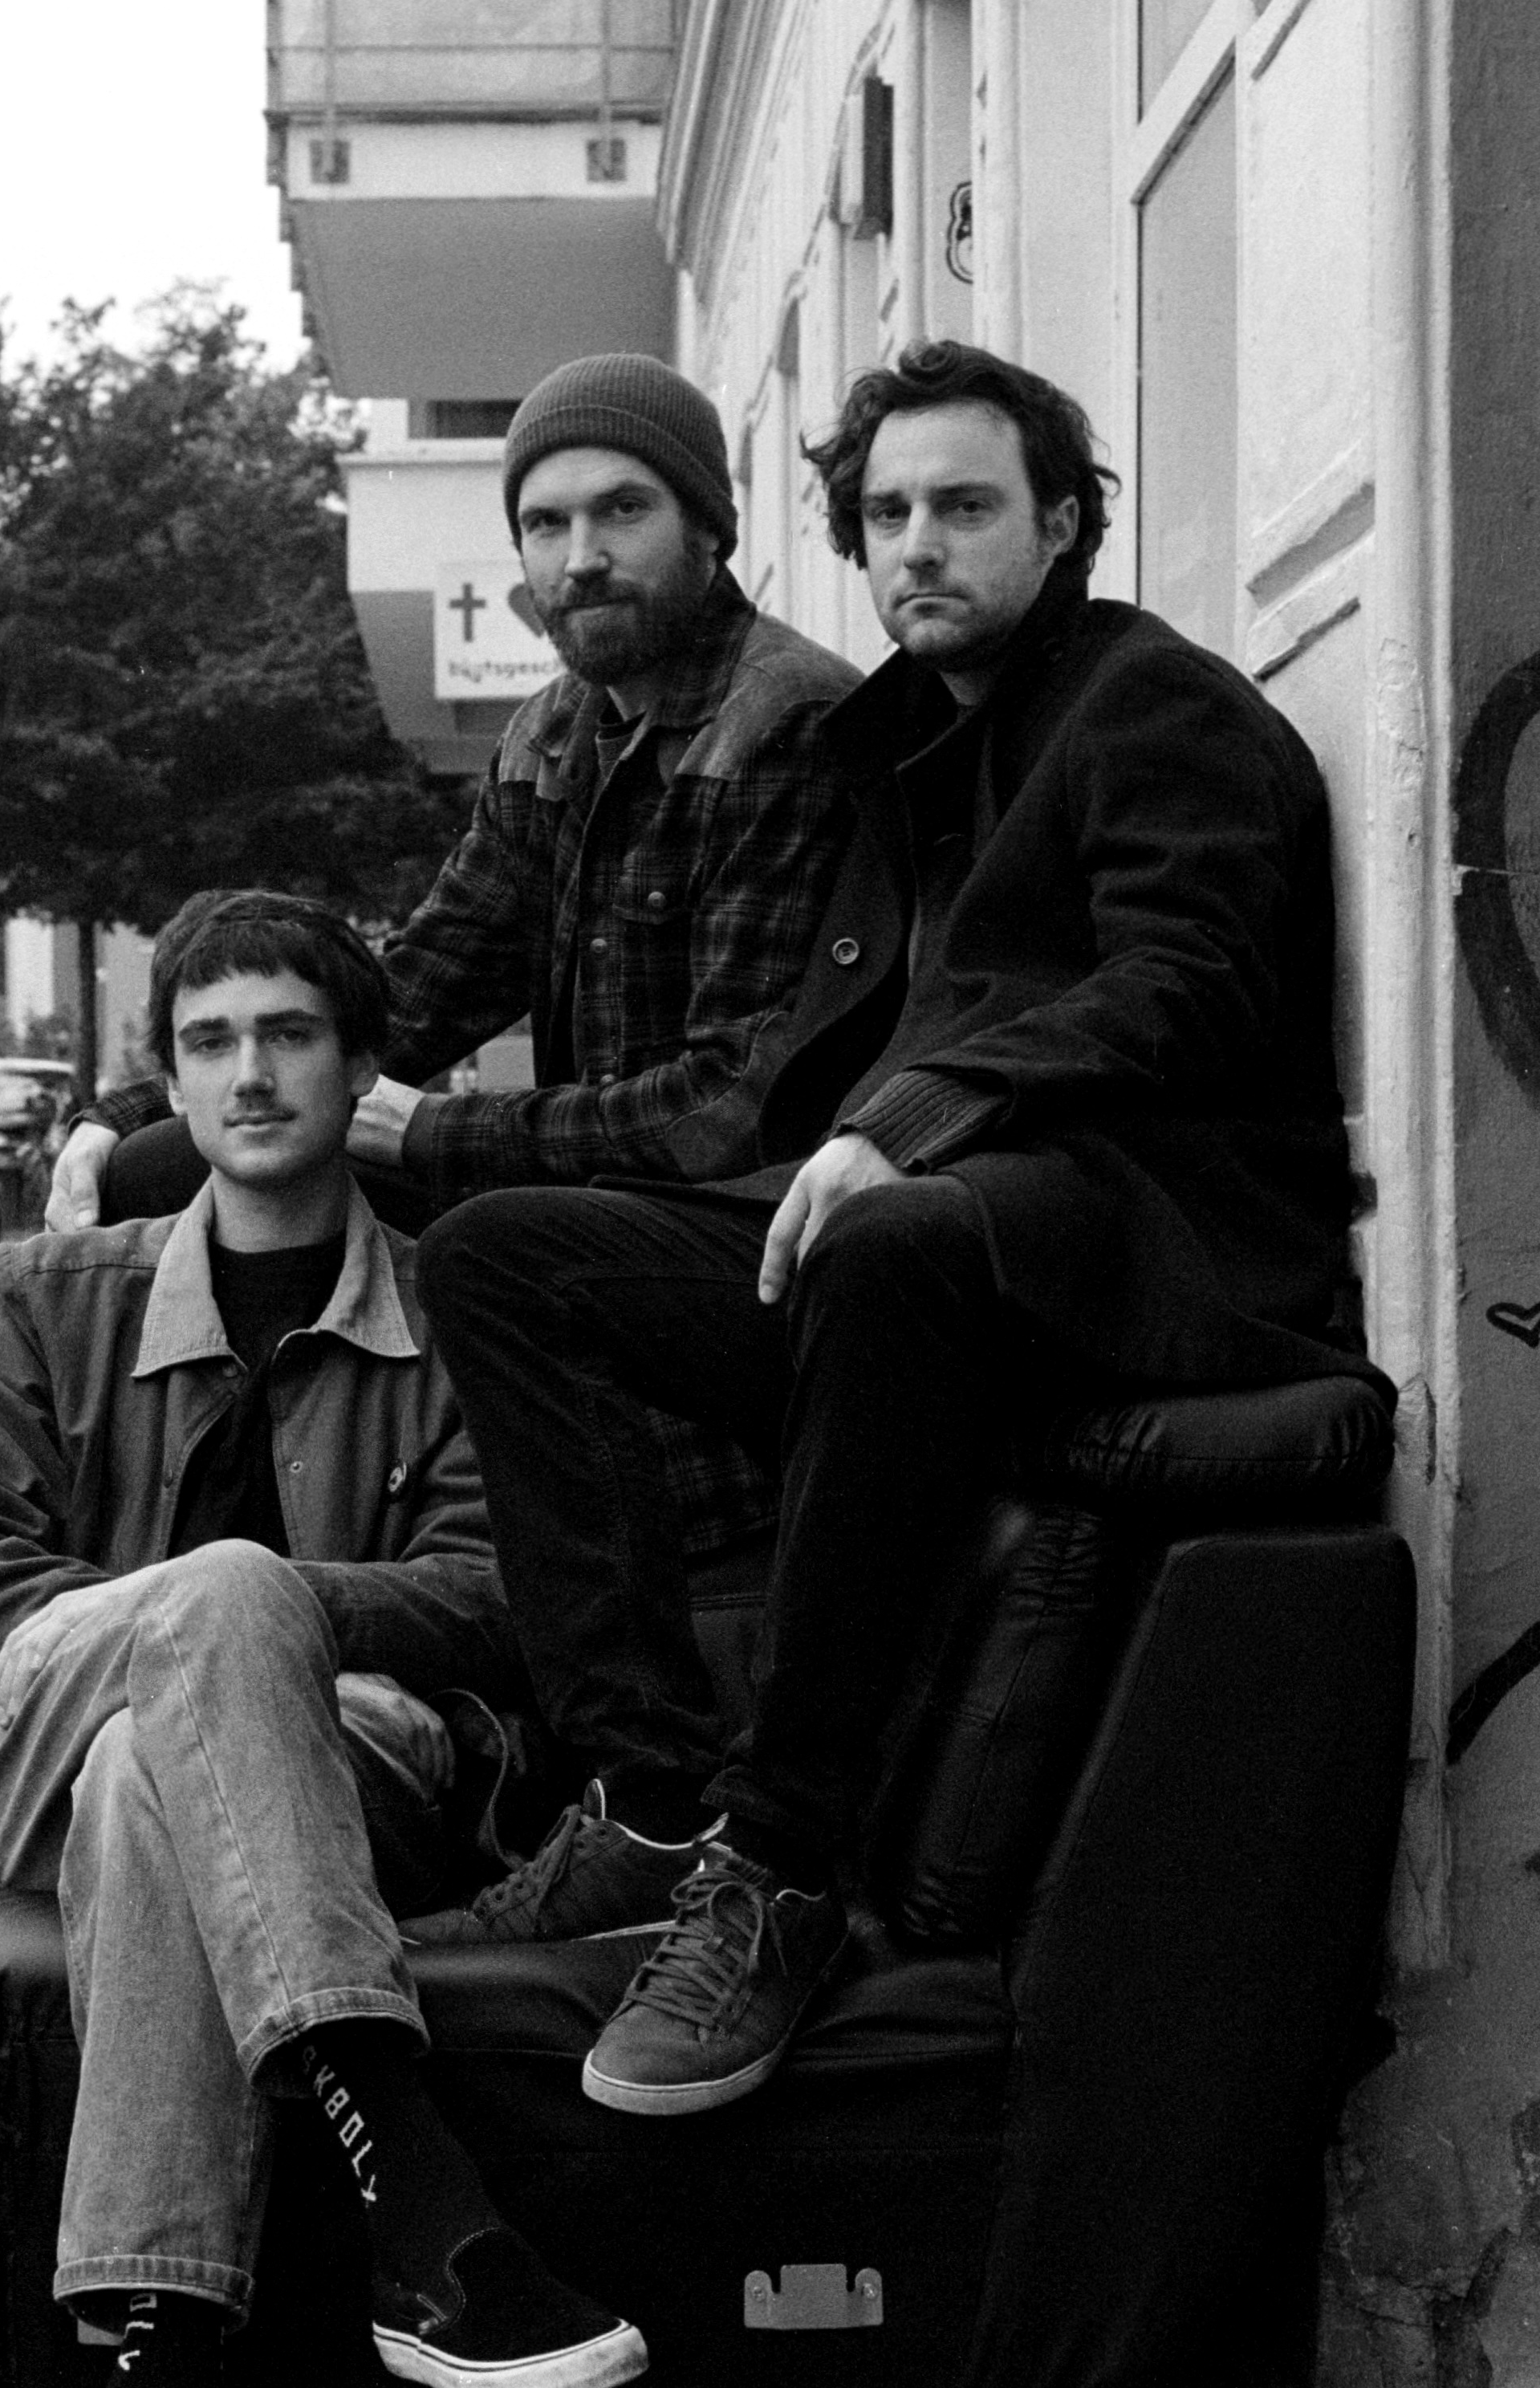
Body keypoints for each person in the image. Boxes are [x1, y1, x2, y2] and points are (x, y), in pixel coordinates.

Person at [412, 339, 1388, 2119]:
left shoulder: (1153, 708)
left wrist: (909, 1123)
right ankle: (648, 1797)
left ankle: (778, 1870)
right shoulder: (906, 744)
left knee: (881, 1241)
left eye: (964, 506)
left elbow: (1185, 982)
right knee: (507, 1254)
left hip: (1153, 1252)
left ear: (1063, 521)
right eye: (885, 515)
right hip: (953, 1246)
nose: (918, 545)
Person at [0, 889, 647, 2388]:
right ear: (167, 1076)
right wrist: (221, 1613)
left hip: (363, 1758)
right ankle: (418, 2199)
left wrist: (277, 1626)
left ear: (362, 1063)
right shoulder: (45, 1294)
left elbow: (501, 1597)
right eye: (211, 1040)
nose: (250, 1073)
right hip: (36, 1735)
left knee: (159, 1767)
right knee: (201, 1629)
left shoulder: (455, 1303)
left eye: (289, 1033)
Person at [47, 351, 858, 1253]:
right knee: (162, 1170)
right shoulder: (550, 738)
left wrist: (430, 1130)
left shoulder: (787, 722)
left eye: (623, 510)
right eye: (545, 524)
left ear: (709, 528)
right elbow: (408, 996)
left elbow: (729, 1106)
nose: (581, 558)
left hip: (744, 1219)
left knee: (477, 1242)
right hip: (580, 1196)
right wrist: (132, 1112)